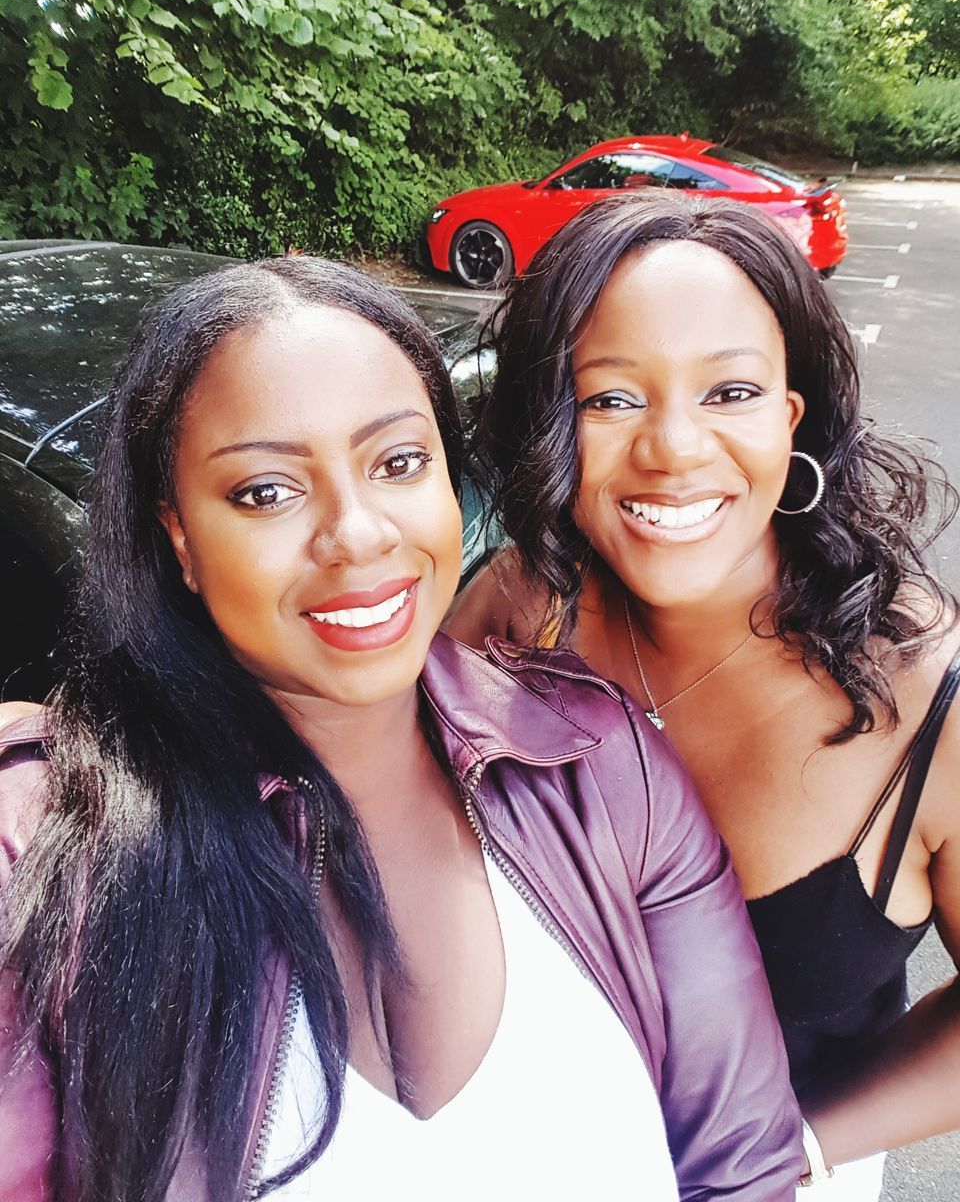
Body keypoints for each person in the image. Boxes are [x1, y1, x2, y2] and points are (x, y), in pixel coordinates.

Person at [0, 257, 801, 1201]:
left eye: (397, 463)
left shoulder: (601, 763)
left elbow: (743, 1168)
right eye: (265, 491)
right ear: (178, 536)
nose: (359, 532)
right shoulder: (45, 842)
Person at [448, 191, 960, 1199]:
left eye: (728, 392)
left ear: (791, 413)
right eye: (610, 396)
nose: (674, 449)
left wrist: (777, 1151)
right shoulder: (521, 602)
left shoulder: (926, 700)